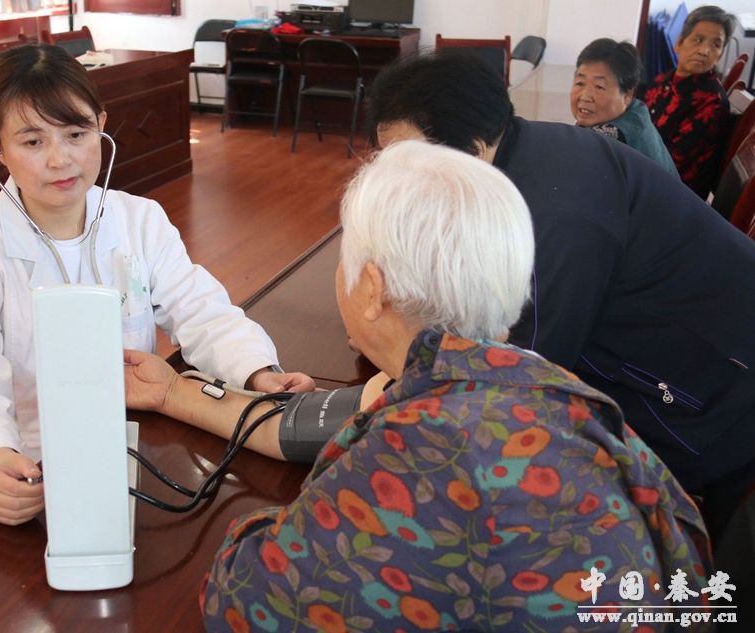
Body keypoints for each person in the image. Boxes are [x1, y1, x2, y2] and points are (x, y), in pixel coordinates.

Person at [125, 141, 713, 631]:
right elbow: (289, 426)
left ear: (373, 289)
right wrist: (174, 393)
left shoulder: (424, 449)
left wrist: (285, 514)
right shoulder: (548, 389)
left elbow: (242, 600)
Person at [0, 44, 315, 545]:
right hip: (15, 464)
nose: (60, 159)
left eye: (76, 134)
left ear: (101, 125)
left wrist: (260, 373)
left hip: (120, 445)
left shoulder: (139, 221)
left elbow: (204, 312)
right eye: (33, 141)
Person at [365, 52, 755, 544]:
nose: (396, 179)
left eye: (408, 162)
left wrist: (400, 362)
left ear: (475, 147)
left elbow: (520, 378)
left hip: (713, 402)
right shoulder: (521, 155)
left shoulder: (558, 213)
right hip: (656, 358)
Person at [643, 5, 737, 198]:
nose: (704, 51)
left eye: (716, 44)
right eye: (698, 40)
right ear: (678, 43)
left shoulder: (711, 102)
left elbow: (669, 164)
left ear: (720, 54)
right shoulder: (663, 80)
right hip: (643, 178)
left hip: (669, 196)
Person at [571, 38, 678, 176]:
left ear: (627, 95)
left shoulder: (611, 136)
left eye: (599, 87)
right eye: (580, 83)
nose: (585, 96)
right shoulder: (636, 108)